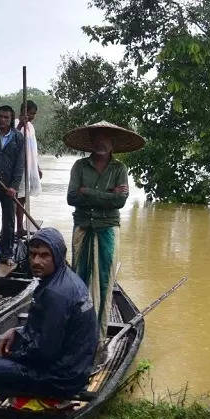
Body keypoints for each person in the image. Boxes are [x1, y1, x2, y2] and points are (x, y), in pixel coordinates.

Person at [0, 228, 98, 398]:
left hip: (61, 377)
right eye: (33, 254)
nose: (36, 261)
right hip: (63, 358)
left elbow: (44, 353)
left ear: (57, 256)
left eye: (44, 255)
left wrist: (14, 354)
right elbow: (44, 331)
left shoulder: (56, 294)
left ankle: (23, 393)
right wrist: (17, 331)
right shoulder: (61, 277)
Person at [65, 120, 143, 324]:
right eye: (96, 138)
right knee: (79, 278)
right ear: (91, 141)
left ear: (113, 142)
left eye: (105, 138)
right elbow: (72, 197)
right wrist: (107, 194)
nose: (101, 142)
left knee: (105, 281)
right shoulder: (79, 166)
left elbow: (120, 201)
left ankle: (99, 336)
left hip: (107, 228)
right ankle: (78, 329)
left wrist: (88, 192)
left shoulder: (119, 169)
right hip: (83, 226)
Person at [0, 105, 25, 264]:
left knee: (9, 222)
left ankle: (6, 255)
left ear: (11, 119)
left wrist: (14, 186)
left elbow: (19, 164)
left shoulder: (17, 137)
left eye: (6, 117)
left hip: (9, 187)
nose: (2, 120)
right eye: (0, 116)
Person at [15, 100, 43, 236]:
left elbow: (33, 149)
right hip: (19, 167)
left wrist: (37, 167)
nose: (32, 116)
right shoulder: (15, 124)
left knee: (24, 197)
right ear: (24, 112)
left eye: (34, 114)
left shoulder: (31, 127)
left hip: (30, 166)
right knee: (18, 198)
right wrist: (21, 123)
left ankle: (20, 226)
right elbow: (12, 138)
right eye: (31, 113)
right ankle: (18, 227)